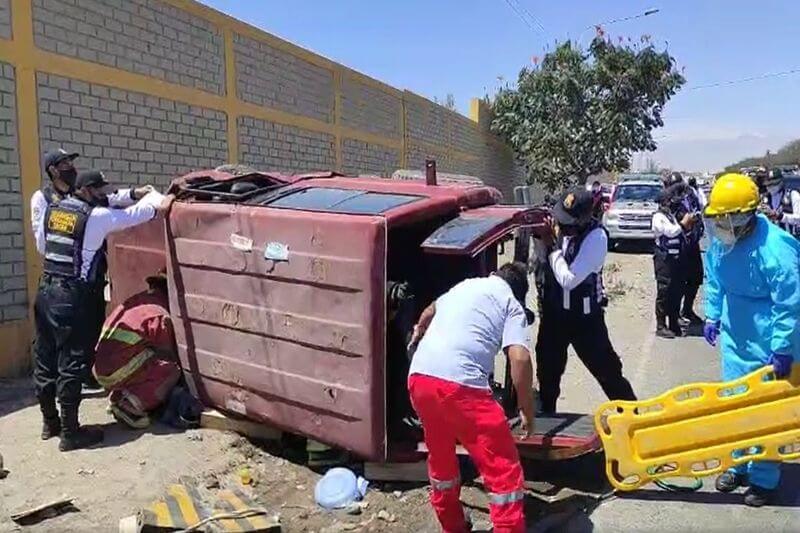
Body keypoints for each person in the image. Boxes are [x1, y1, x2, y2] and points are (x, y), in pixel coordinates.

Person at [33, 170, 171, 451]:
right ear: (87, 191)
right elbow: (136, 215)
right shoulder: (95, 217)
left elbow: (43, 245)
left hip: (45, 290)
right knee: (72, 362)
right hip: (71, 296)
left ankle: (50, 422)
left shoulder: (54, 210)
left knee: (45, 359)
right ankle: (71, 433)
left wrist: (134, 192)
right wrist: (159, 202)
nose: (104, 195)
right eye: (100, 190)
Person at [406, 262, 535, 532]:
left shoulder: (464, 286)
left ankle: (453, 525)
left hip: (420, 378)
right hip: (462, 386)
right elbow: (520, 357)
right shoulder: (510, 302)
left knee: (441, 457)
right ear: (519, 291)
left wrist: (419, 330)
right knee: (503, 470)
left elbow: (430, 310)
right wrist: (526, 408)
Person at [703, 173, 800, 507]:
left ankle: (764, 479)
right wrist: (712, 314)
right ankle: (739, 465)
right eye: (719, 217)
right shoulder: (723, 241)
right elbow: (714, 278)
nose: (722, 224)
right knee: (735, 404)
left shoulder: (776, 248)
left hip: (770, 338)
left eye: (728, 218)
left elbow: (789, 303)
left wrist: (783, 347)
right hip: (735, 337)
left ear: (746, 215)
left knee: (765, 413)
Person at [32, 149, 155, 393]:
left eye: (71, 162)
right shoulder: (44, 198)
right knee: (65, 344)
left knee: (92, 325)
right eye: (65, 163)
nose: (71, 166)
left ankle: (84, 378)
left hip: (90, 275)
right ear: (53, 170)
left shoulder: (82, 195)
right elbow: (41, 244)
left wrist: (135, 193)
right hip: (65, 277)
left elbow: (111, 198)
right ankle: (68, 400)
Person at [535, 188, 637, 414]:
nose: (564, 226)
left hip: (585, 319)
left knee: (608, 373)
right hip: (554, 316)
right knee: (547, 374)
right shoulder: (557, 229)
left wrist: (551, 245)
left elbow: (569, 279)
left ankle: (632, 419)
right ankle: (547, 419)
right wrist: (541, 241)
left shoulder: (596, 237)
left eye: (569, 222)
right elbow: (542, 265)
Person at [92, 270, 181, 429]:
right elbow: (167, 354)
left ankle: (119, 398)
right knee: (170, 369)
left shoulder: (138, 301)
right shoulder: (159, 314)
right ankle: (131, 407)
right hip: (114, 370)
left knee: (142, 355)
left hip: (99, 368)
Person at [652, 187, 696, 338]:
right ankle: (661, 325)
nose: (672, 202)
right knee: (664, 291)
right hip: (664, 259)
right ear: (663, 201)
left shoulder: (670, 215)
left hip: (676, 259)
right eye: (670, 200)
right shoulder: (658, 217)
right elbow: (671, 232)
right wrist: (683, 224)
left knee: (676, 291)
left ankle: (673, 323)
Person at [673, 183, 705, 324]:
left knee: (696, 277)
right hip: (679, 246)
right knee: (679, 281)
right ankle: (675, 315)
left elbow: (699, 209)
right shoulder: (670, 202)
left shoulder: (691, 197)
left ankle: (687, 309)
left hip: (693, 243)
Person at [758, 168, 800, 237]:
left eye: (773, 184)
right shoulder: (765, 198)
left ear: (781, 182)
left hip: (792, 240)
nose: (770, 187)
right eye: (768, 184)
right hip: (774, 241)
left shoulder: (792, 195)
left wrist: (781, 216)